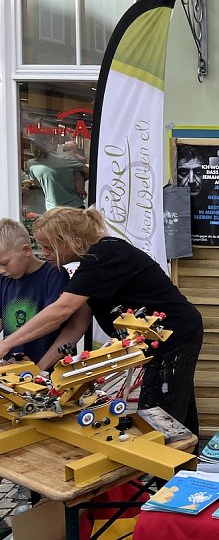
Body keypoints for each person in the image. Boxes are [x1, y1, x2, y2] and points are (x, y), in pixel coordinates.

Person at [0, 207, 204, 435]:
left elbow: (61, 310)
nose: (44, 252)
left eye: (48, 246)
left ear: (71, 241)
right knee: (177, 405)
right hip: (161, 335)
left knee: (159, 413)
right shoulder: (91, 265)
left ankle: (167, 467)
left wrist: (6, 344)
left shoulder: (105, 256)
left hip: (172, 334)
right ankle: (190, 461)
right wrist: (38, 370)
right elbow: (75, 326)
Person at [0, 219, 86, 369]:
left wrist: (38, 368)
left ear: (26, 250)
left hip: (51, 369)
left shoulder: (54, 275)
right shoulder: (3, 278)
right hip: (13, 368)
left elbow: (56, 322)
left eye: (5, 263)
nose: (1, 270)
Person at [27, 140, 87, 210]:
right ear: (51, 143)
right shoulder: (67, 159)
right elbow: (89, 172)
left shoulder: (31, 164)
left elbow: (37, 183)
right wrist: (79, 180)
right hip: (74, 206)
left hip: (52, 209)